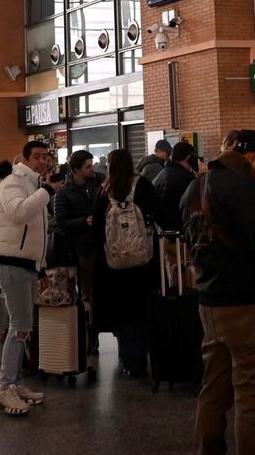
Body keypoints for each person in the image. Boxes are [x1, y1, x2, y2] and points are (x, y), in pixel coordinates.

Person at [192, 131, 255, 455]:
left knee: (213, 391)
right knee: (250, 396)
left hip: (209, 300)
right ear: (251, 159)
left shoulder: (200, 183)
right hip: (244, 302)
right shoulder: (240, 185)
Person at [0, 141, 61, 416]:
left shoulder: (33, 183)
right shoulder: (13, 182)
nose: (43, 161)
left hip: (27, 266)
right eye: (37, 157)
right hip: (11, 265)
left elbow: (37, 232)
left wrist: (40, 266)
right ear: (26, 158)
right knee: (19, 327)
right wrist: (46, 191)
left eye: (46, 156)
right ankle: (4, 388)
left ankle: (16, 383)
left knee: (24, 328)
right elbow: (18, 214)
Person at [92, 148, 159, 377]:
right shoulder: (143, 185)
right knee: (143, 308)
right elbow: (155, 214)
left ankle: (130, 361)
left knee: (123, 312)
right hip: (143, 261)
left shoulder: (104, 190)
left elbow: (97, 229)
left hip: (114, 264)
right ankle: (144, 356)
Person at [49, 150, 98, 320]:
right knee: (87, 288)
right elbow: (61, 221)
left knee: (95, 287)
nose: (92, 169)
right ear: (76, 169)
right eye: (88, 166)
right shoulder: (63, 193)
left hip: (98, 242)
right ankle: (88, 324)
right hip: (81, 246)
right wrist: (84, 221)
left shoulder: (96, 183)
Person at [149, 139, 197, 233]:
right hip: (180, 233)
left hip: (162, 231)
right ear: (189, 158)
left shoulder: (160, 174)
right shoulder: (187, 178)